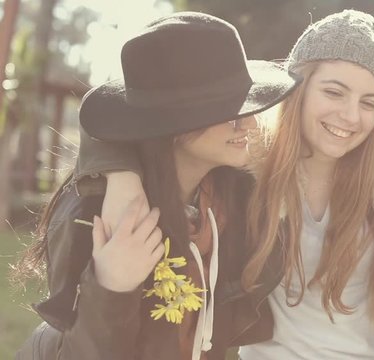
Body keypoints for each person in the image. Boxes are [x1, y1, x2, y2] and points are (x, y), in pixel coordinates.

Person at [62, 10, 374, 359]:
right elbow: (124, 111)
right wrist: (120, 177)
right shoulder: (250, 159)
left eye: (370, 102)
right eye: (334, 91)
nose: (351, 116)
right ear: (298, 86)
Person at [13, 12, 300, 360]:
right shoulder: (96, 215)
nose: (250, 124)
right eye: (231, 111)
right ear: (175, 124)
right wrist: (111, 285)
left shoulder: (230, 199)